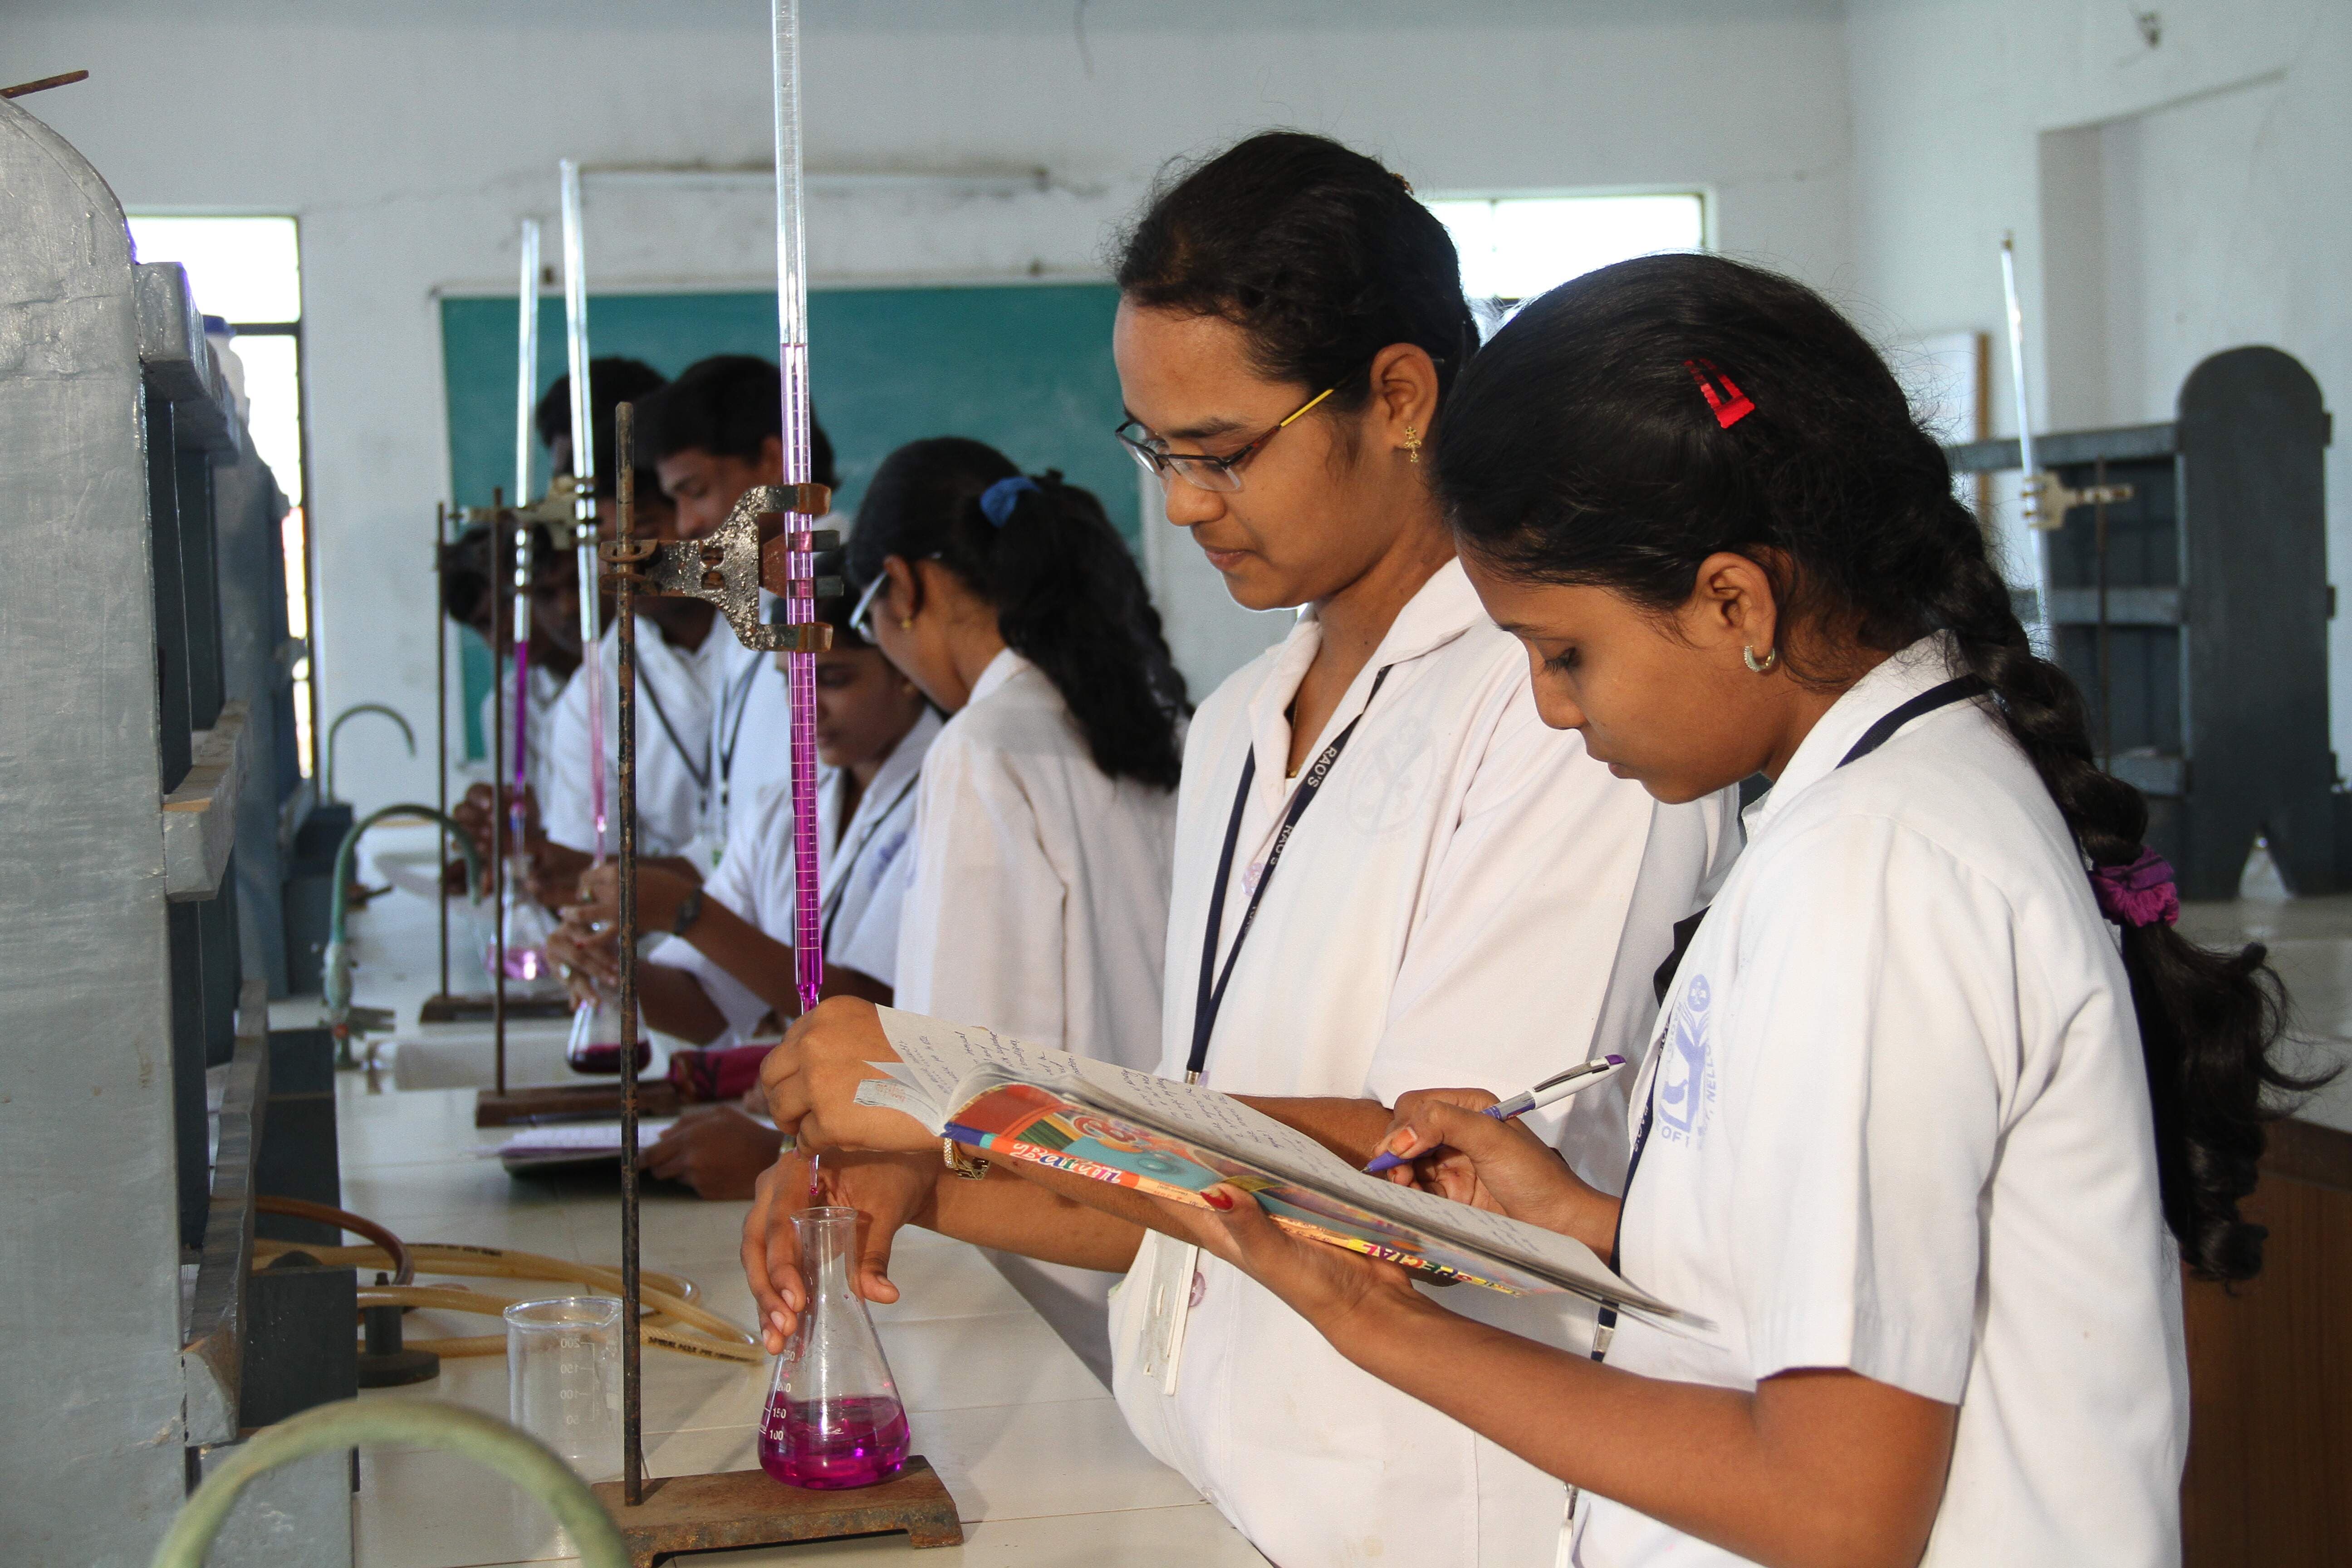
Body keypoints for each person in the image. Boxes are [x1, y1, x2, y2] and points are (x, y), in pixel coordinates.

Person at [1081, 253, 2322, 1567]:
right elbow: (1837, 1280)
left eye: (1565, 652)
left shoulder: (1877, 870)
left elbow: (1833, 1508)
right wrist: (1589, 1223)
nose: (1552, 706)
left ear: (1735, 599)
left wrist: (1372, 1318)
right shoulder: (1866, 812)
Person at [744, 133, 1738, 1568]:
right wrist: (927, 1179)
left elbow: (1437, 1185)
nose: (1183, 503)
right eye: (1157, 450)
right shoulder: (1238, 725)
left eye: (1223, 453)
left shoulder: (1558, 715)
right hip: (1210, 1479)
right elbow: (1209, 1198)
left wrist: (962, 1100)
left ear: (1400, 398)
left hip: (1423, 1514)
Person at [546, 593, 940, 1198]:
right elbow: (705, 1005)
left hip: (920, 1146)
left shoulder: (946, 794)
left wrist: (688, 913)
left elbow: (879, 1015)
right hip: (838, 1131)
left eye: (834, 679)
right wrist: (611, 966)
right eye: (789, 683)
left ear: (905, 671)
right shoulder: (784, 808)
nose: (806, 706)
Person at [849, 438, 1186, 1064]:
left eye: (869, 624)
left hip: (1063, 1129)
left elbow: (968, 1052)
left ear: (903, 587)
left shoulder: (980, 750)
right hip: (1185, 1122)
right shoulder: (1164, 724)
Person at [637, 355, 839, 872]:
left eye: (697, 492)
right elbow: (740, 822)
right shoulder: (749, 605)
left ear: (773, 462)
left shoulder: (844, 601)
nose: (686, 525)